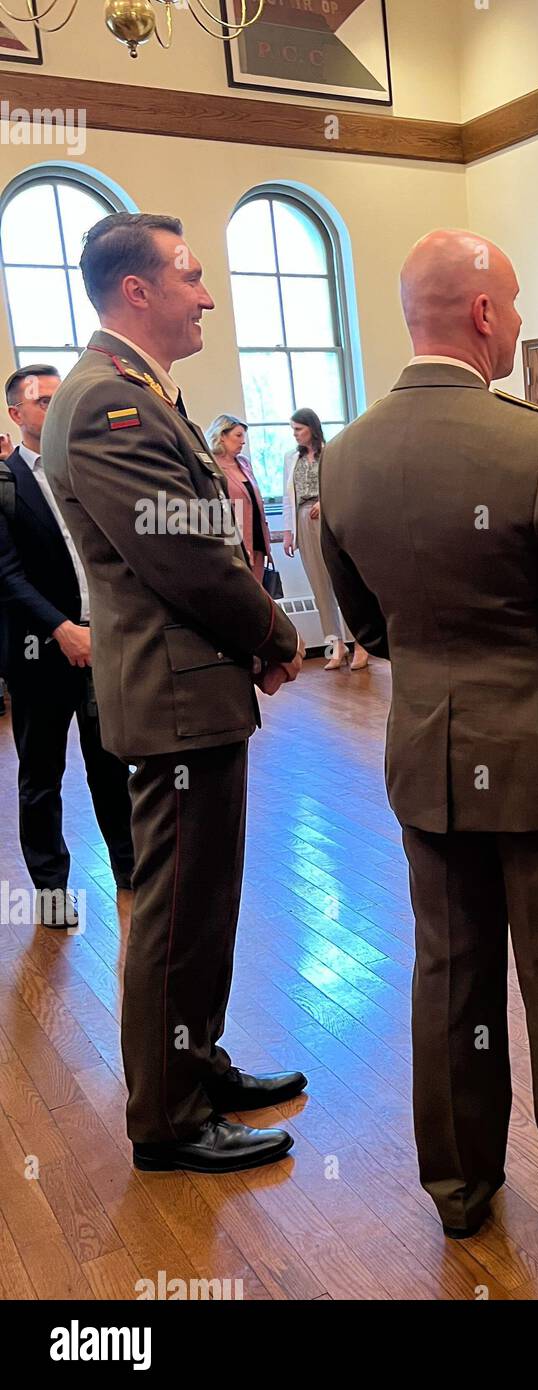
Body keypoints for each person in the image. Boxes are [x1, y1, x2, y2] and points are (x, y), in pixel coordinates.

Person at [319, 227, 538, 1245]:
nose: (516, 321)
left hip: (427, 753)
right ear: (480, 315)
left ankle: (463, 1189)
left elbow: (367, 624)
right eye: (511, 304)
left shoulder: (345, 455)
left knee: (449, 972)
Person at [41, 212, 308, 1172]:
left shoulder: (139, 392)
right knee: (173, 908)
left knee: (202, 898)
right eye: (191, 277)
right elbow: (187, 561)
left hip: (190, 688)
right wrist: (279, 637)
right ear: (136, 292)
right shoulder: (110, 403)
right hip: (176, 692)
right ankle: (168, 1118)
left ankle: (198, 1063)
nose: (207, 295)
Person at [0, 365, 134, 926]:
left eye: (61, 399)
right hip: (40, 651)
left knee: (112, 765)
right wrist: (62, 629)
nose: (56, 409)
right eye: (43, 401)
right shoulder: (5, 484)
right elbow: (6, 574)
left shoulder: (83, 468)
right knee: (41, 776)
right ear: (15, 413)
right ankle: (52, 892)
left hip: (103, 642)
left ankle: (131, 871)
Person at [282, 408, 367, 671]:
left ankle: (361, 646)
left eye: (299, 429)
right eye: (293, 429)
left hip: (330, 521)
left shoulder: (331, 453)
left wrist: (325, 502)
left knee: (345, 583)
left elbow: (344, 487)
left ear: (312, 428)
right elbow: (288, 497)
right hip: (304, 521)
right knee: (320, 588)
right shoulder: (290, 458)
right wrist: (288, 531)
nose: (295, 434)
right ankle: (336, 647)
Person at [206, 414, 272, 585]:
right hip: (235, 539)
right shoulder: (212, 465)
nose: (243, 441)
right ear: (222, 436)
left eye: (244, 436)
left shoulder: (244, 463)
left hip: (257, 535)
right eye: (238, 435)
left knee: (260, 593)